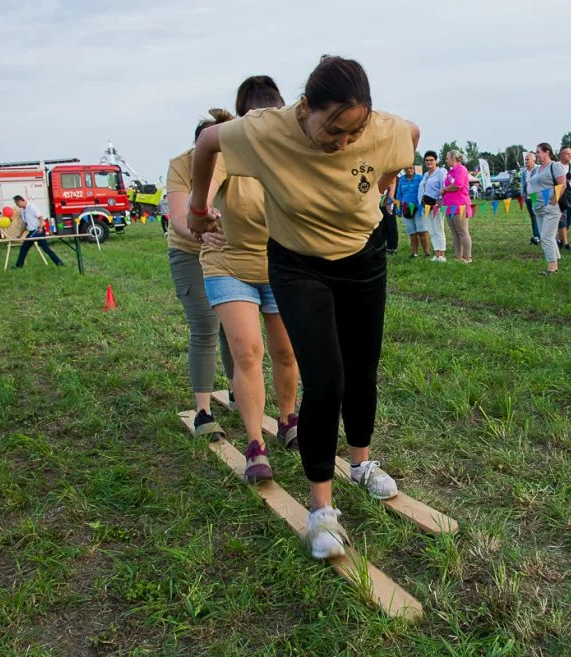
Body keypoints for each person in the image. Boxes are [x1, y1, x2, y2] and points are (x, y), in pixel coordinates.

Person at [187, 55, 418, 560]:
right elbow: (206, 143)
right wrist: (197, 210)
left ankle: (360, 463)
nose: (342, 143)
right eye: (333, 130)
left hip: (364, 258)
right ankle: (321, 511)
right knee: (325, 379)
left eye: (353, 133)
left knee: (362, 370)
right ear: (306, 107)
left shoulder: (384, 131)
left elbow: (410, 139)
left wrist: (381, 191)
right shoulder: (265, 131)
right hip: (297, 265)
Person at [197, 78, 302, 483]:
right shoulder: (229, 148)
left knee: (287, 352)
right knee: (247, 352)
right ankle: (256, 443)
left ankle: (289, 418)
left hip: (279, 263)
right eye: (257, 120)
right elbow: (203, 187)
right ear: (244, 119)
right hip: (229, 264)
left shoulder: (292, 152)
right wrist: (201, 213)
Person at [165, 111, 236, 442]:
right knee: (206, 327)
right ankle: (204, 411)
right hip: (189, 251)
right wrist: (200, 232)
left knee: (234, 327)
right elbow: (178, 215)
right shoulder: (182, 163)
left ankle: (238, 391)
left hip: (227, 251)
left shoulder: (238, 158)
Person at [529, 143, 567, 275]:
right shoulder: (536, 169)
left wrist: (554, 200)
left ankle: (551, 267)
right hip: (538, 207)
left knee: (546, 237)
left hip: (550, 208)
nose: (536, 154)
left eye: (538, 152)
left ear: (547, 152)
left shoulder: (554, 166)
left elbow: (563, 184)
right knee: (546, 236)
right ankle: (555, 263)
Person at [12, 195, 64, 268]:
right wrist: (20, 234)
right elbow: (25, 224)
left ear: (20, 201)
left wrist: (40, 227)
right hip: (32, 232)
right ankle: (59, 263)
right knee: (41, 248)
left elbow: (41, 217)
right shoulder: (23, 211)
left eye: (17, 204)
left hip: (38, 231)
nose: (17, 205)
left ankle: (60, 263)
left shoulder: (32, 207)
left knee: (27, 247)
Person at [441, 150, 472, 263]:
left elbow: (458, 185)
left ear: (453, 157)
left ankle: (468, 257)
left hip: (459, 205)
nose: (446, 159)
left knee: (462, 231)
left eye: (447, 157)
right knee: (454, 232)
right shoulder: (450, 172)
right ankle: (458, 256)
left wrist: (445, 189)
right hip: (449, 205)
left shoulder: (461, 169)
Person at [418, 151, 447, 262]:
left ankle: (442, 254)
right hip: (425, 206)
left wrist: (440, 200)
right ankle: (436, 253)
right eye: (427, 160)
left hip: (436, 205)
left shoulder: (440, 172)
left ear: (436, 161)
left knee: (439, 228)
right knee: (431, 229)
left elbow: (443, 187)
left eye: (431, 160)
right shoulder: (425, 175)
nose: (429, 162)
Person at [396, 166, 429, 257]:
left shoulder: (420, 178)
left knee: (421, 231)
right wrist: (398, 209)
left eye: (411, 168)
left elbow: (425, 192)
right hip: (406, 209)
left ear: (414, 169)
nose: (409, 170)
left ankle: (427, 253)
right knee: (412, 233)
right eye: (406, 169)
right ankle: (414, 253)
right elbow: (399, 194)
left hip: (419, 209)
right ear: (404, 170)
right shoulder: (402, 180)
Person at [521, 152, 540, 245]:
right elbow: (523, 184)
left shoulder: (538, 169)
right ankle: (536, 235)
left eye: (528, 159)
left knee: (538, 215)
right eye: (525, 159)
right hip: (528, 197)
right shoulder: (524, 172)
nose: (526, 161)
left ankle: (541, 235)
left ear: (534, 160)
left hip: (537, 196)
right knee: (533, 216)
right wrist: (523, 194)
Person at [377, 179, 399, 255]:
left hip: (388, 201)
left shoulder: (390, 173)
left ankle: (392, 247)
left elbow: (392, 186)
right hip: (378, 203)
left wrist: (389, 202)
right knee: (381, 226)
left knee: (391, 224)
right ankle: (382, 247)